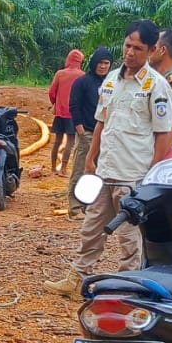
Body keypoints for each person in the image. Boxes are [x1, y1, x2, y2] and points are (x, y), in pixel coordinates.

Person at [42, 20, 172, 298]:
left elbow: (163, 135)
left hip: (132, 175)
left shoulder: (157, 87)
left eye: (138, 48)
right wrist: (91, 157)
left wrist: (152, 173)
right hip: (106, 172)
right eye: (127, 45)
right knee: (91, 227)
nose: (130, 52)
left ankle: (129, 287)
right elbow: (101, 121)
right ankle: (77, 278)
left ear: (151, 50)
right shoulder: (111, 79)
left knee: (128, 236)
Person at [65, 46, 113, 218]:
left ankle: (90, 205)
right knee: (80, 170)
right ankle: (75, 207)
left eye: (106, 63)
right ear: (94, 63)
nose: (103, 66)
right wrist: (80, 129)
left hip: (106, 135)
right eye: (100, 63)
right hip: (87, 133)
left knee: (99, 172)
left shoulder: (112, 83)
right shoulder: (82, 82)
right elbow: (74, 106)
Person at [148, 29, 172, 155]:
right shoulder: (152, 80)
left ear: (162, 50)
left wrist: (156, 162)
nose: (149, 51)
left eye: (153, 47)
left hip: (157, 153)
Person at [48, 49, 85, 175]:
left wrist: (55, 104)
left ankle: (53, 168)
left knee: (57, 140)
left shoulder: (60, 74)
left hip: (60, 112)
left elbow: (52, 92)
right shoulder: (82, 75)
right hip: (73, 114)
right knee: (70, 141)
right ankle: (63, 169)